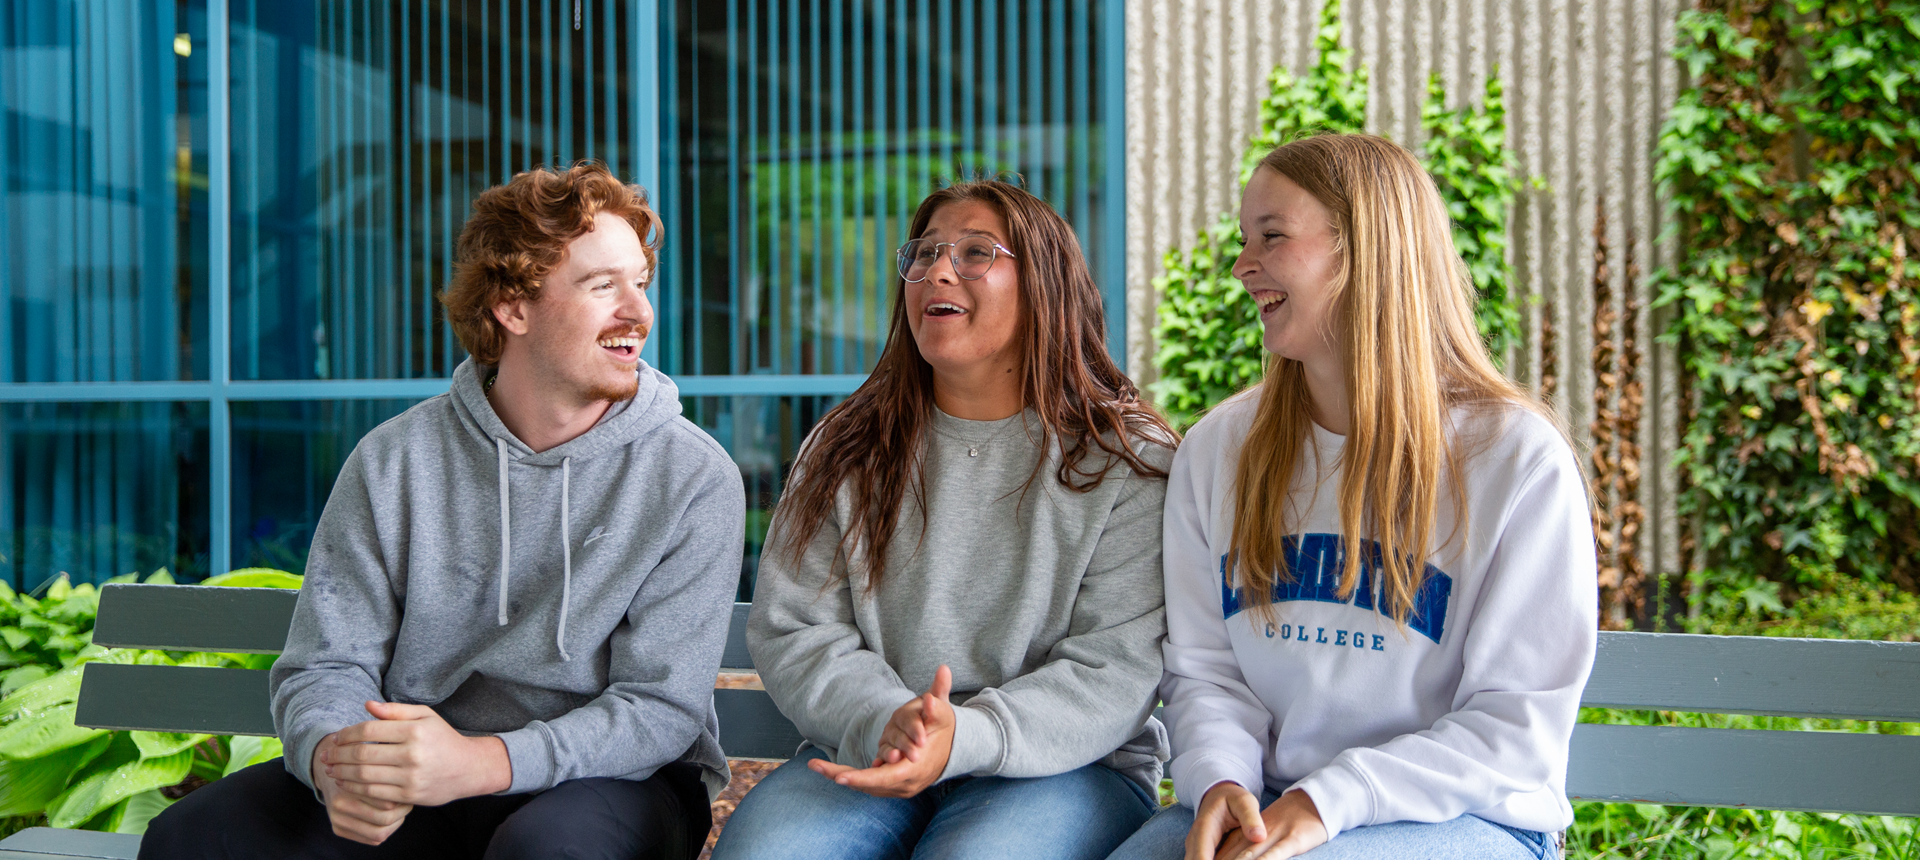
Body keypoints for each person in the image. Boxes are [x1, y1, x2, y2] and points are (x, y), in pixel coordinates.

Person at [141, 162, 745, 860]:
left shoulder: (691, 476)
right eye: (601, 285)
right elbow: (326, 664)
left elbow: (659, 711)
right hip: (427, 774)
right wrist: (339, 763)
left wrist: (482, 761)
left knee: (550, 850)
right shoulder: (394, 460)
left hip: (618, 781)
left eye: (640, 283)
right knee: (191, 838)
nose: (638, 312)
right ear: (512, 308)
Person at [1107, 134, 1596, 860]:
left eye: (1272, 237)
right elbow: (1206, 670)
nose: (1244, 267)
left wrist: (1329, 801)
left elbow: (1512, 726)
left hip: (1470, 818)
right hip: (1270, 802)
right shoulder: (1219, 451)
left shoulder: (1517, 462)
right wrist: (1220, 782)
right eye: (1245, 240)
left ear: (1367, 250)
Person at [709, 180, 1177, 860]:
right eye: (925, 253)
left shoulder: (1127, 459)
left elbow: (1115, 666)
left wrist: (964, 736)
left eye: (977, 252)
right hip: (874, 745)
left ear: (1046, 282)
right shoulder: (846, 445)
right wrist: (887, 719)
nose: (938, 270)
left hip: (1066, 770)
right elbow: (797, 627)